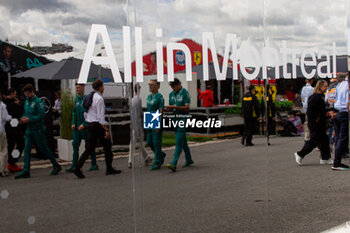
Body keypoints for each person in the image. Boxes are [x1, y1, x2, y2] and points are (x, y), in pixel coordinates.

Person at [73, 80, 121, 179]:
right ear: (100, 87)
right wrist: (106, 130)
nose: (103, 88)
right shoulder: (99, 99)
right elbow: (100, 118)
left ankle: (77, 167)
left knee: (90, 148)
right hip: (98, 125)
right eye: (103, 86)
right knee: (107, 146)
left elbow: (85, 112)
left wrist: (87, 121)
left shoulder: (89, 97)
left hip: (90, 124)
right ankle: (109, 168)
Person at [15, 84, 62, 179]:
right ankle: (26, 170)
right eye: (25, 94)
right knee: (27, 149)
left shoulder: (39, 102)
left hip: (38, 129)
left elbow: (41, 116)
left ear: (32, 92)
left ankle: (56, 165)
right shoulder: (27, 102)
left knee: (43, 148)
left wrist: (29, 119)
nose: (26, 96)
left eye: (27, 94)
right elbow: (25, 113)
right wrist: (23, 118)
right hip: (29, 129)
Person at [294, 80, 332, 166]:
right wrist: (316, 118)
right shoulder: (315, 97)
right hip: (315, 123)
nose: (326, 88)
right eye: (325, 86)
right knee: (314, 140)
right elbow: (310, 111)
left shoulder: (321, 96)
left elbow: (322, 109)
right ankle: (300, 154)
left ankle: (325, 158)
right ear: (320, 87)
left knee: (324, 140)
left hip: (321, 122)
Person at [66, 83, 98, 172]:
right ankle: (74, 164)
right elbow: (74, 112)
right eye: (76, 88)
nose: (77, 89)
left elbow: (89, 114)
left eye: (79, 87)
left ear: (83, 88)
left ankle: (94, 163)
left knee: (89, 146)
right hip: (77, 127)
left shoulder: (87, 99)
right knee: (75, 144)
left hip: (86, 127)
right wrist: (73, 123)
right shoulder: (76, 99)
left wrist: (84, 124)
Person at [165, 78, 194, 172]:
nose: (173, 89)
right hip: (175, 119)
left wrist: (174, 107)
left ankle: (174, 162)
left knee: (178, 141)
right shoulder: (171, 94)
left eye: (174, 87)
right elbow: (171, 107)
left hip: (183, 119)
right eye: (172, 87)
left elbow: (187, 107)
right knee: (183, 141)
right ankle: (189, 159)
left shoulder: (185, 93)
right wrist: (169, 108)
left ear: (179, 85)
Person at [128, 84, 153, 168]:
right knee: (140, 142)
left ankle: (132, 160)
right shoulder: (139, 99)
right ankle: (146, 158)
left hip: (133, 123)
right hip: (138, 123)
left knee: (133, 142)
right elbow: (140, 113)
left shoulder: (132, 100)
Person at [146, 79, 166, 170]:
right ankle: (161, 154)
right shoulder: (149, 97)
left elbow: (161, 111)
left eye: (152, 85)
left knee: (156, 142)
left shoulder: (159, 97)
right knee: (149, 141)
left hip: (156, 118)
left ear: (157, 86)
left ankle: (157, 161)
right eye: (149, 85)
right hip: (149, 118)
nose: (150, 86)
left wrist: (158, 124)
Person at [331, 73, 349, 170]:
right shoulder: (347, 85)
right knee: (342, 138)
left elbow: (335, 98)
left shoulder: (339, 85)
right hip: (344, 113)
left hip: (337, 112)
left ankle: (337, 161)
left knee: (338, 138)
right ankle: (337, 163)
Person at [4, 88, 24, 173]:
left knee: (11, 145)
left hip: (8, 127)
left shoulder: (4, 102)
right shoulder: (11, 104)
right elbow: (19, 112)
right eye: (15, 94)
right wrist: (18, 104)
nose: (15, 95)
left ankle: (10, 162)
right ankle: (12, 161)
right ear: (11, 93)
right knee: (20, 143)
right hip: (14, 126)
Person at [0, 90, 12, 176]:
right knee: (3, 149)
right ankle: (2, 169)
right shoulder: (2, 105)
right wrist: (10, 117)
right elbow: (5, 117)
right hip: (0, 129)